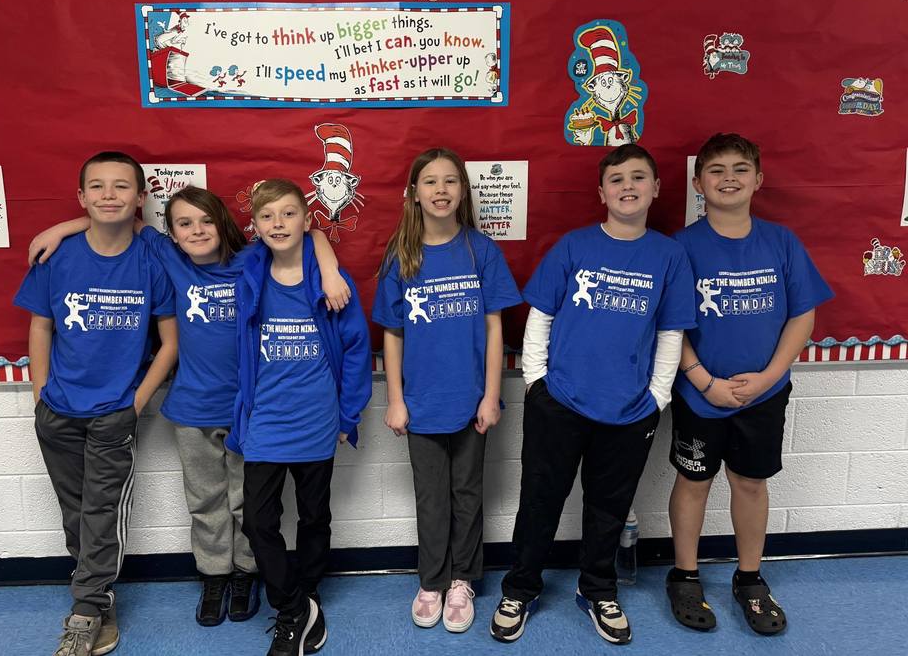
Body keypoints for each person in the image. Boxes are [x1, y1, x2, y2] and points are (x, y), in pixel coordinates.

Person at [27, 185, 349, 630]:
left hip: (248, 412)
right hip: (193, 408)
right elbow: (123, 222)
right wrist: (67, 225)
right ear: (173, 234)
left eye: (206, 221)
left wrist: (328, 263)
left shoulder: (250, 261)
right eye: (184, 224)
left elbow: (302, 234)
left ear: (225, 224)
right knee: (205, 502)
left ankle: (247, 575)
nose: (197, 231)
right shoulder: (171, 261)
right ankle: (214, 576)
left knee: (246, 505)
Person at [491, 144, 696, 646]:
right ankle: (521, 587)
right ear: (601, 191)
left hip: (629, 409)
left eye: (638, 177)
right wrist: (538, 382)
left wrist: (658, 397)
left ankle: (598, 588)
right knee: (540, 500)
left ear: (656, 189)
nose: (628, 186)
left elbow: (671, 332)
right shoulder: (573, 246)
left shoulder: (668, 255)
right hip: (559, 401)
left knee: (609, 506)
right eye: (617, 179)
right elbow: (541, 315)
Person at [666, 133, 833, 635]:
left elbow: (803, 316)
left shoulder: (782, 242)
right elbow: (670, 321)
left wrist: (769, 376)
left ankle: (749, 577)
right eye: (716, 169)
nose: (729, 177)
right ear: (699, 183)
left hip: (764, 392)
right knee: (694, 481)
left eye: (741, 168)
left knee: (750, 482)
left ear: (758, 180)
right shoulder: (680, 246)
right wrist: (700, 378)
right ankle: (685, 574)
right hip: (701, 393)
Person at [14, 151, 178, 656]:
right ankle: (96, 596)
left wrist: (135, 403)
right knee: (76, 511)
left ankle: (86, 608)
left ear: (141, 197)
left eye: (122, 186)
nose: (110, 195)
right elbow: (40, 324)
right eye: (98, 187)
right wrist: (40, 391)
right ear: (82, 196)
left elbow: (169, 342)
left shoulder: (153, 255)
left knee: (102, 511)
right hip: (58, 411)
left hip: (114, 414)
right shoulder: (57, 256)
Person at [373, 148, 522, 633]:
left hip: (470, 400)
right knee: (430, 496)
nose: (441, 190)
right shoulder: (401, 255)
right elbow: (391, 334)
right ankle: (432, 580)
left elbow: (496, 327)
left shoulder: (481, 251)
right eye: (430, 182)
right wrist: (394, 399)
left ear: (463, 191)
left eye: (451, 181)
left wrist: (491, 395)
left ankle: (463, 579)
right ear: (413, 193)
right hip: (420, 403)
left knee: (467, 492)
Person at [228, 180, 371, 656]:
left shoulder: (331, 281)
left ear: (307, 221)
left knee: (314, 516)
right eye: (267, 216)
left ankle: (309, 593)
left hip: (317, 420)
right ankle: (292, 608)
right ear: (255, 226)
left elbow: (355, 349)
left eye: (289, 214)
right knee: (259, 522)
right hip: (266, 420)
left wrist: (347, 413)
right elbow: (181, 246)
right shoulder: (248, 273)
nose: (278, 224)